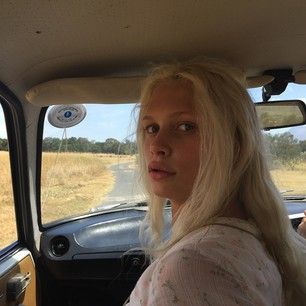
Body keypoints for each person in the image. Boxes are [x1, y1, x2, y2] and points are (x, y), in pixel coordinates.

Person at [124, 58, 306, 306]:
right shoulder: (255, 235)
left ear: (236, 145)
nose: (156, 146)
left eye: (186, 126)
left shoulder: (191, 270)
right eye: (151, 127)